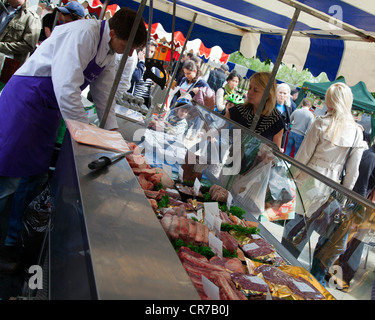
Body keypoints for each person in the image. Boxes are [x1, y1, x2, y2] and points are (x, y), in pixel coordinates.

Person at [0, 7, 147, 273]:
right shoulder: (84, 35)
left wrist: (114, 136)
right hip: (28, 100)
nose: (128, 53)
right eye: (126, 46)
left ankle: (15, 243)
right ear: (112, 32)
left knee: (33, 176)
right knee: (7, 177)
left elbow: (104, 95)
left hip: (48, 110)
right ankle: (6, 245)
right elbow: (66, 86)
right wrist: (85, 133)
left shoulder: (110, 50)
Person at [281, 83, 367, 277]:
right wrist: (343, 198)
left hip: (307, 184)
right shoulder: (356, 132)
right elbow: (352, 173)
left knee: (291, 239)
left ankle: (281, 277)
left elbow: (302, 158)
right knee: (321, 248)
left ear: (331, 100)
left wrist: (290, 179)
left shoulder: (321, 123)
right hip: (331, 190)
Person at [225, 72, 284, 149]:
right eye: (250, 88)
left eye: (255, 90)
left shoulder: (276, 122)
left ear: (268, 95)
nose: (250, 92)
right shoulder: (237, 111)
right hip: (230, 159)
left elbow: (275, 153)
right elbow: (219, 132)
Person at [0, 0, 41, 65]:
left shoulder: (31, 17)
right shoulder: (2, 9)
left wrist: (2, 46)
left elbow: (29, 45)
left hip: (9, 65)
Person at [129, 39, 159, 108]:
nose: (149, 53)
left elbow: (159, 87)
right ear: (143, 48)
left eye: (152, 52)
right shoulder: (135, 62)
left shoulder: (154, 69)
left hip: (144, 104)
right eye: (148, 50)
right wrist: (141, 61)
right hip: (131, 99)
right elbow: (136, 77)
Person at [276, 83, 296, 149]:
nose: (282, 95)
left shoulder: (288, 108)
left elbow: (286, 127)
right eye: (280, 92)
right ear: (276, 92)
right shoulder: (270, 104)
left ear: (288, 95)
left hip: (278, 140)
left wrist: (282, 146)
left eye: (284, 93)